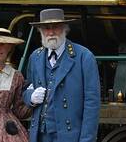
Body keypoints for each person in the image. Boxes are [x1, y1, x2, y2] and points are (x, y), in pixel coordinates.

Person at [22, 9, 100, 142]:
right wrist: (31, 97)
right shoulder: (35, 57)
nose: (51, 32)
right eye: (46, 28)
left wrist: (86, 140)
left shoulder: (83, 56)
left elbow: (91, 104)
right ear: (40, 31)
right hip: (40, 135)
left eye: (56, 27)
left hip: (70, 136)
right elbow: (25, 89)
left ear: (65, 29)